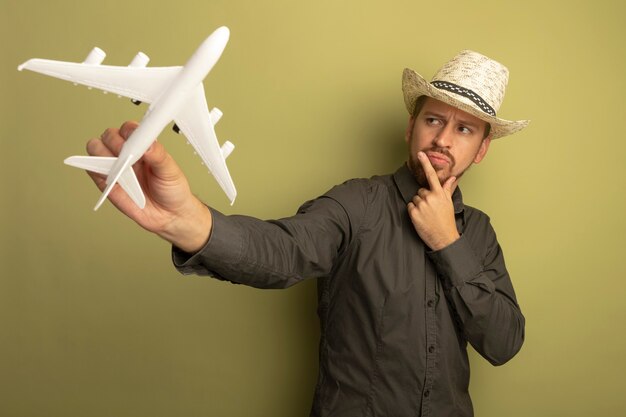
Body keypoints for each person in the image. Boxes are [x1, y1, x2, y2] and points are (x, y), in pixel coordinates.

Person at [85, 50, 528, 417]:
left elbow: (503, 342)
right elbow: (283, 251)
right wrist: (191, 223)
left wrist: (449, 244)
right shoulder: (358, 204)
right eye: (433, 121)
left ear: (482, 149)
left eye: (464, 129)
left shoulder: (481, 234)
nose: (443, 140)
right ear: (411, 127)